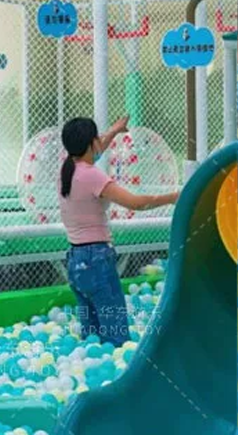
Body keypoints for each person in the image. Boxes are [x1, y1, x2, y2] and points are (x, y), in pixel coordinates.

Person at [59, 116, 180, 347]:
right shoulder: (91, 175)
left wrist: (114, 131)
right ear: (90, 143)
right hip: (96, 260)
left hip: (75, 262)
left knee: (91, 336)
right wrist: (172, 197)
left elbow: (95, 151)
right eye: (96, 138)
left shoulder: (67, 169)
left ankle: (91, 364)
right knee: (116, 336)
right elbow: (135, 203)